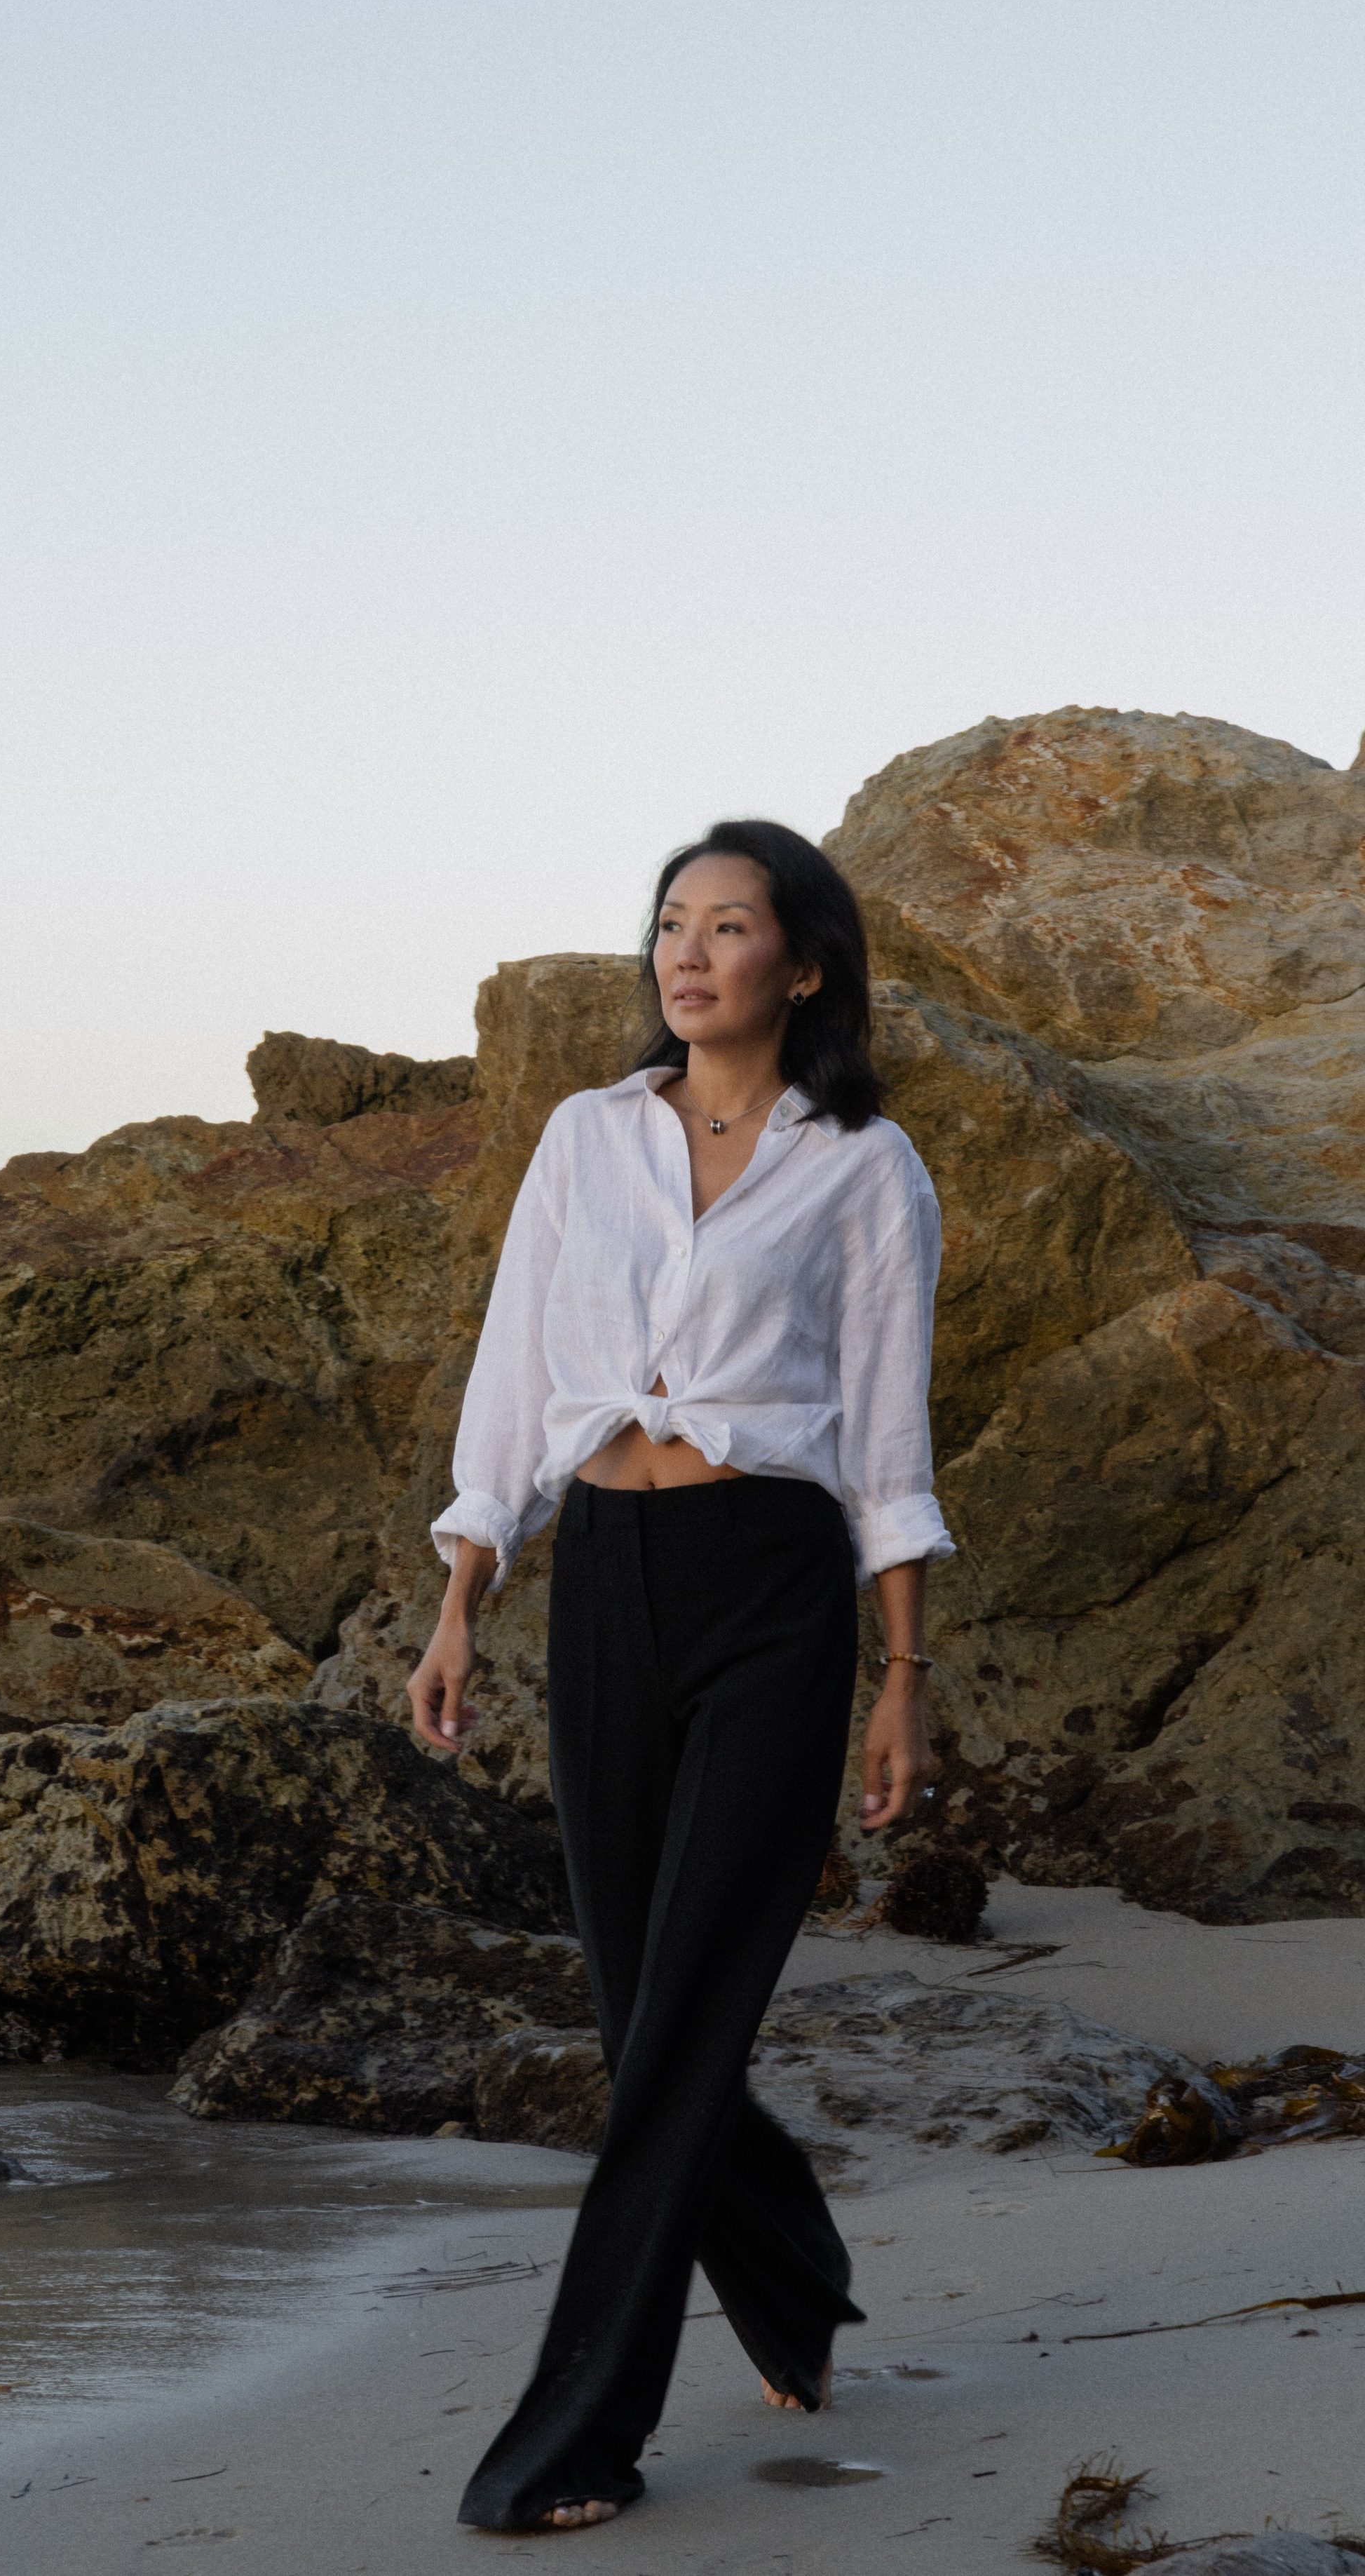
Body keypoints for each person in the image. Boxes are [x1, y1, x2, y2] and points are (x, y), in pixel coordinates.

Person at [405, 817, 952, 2535]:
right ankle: (784, 2262)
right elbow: (513, 1369)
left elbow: (885, 1436)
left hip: (771, 1585)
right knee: (639, 1999)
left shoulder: (864, 1167)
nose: (686, 952)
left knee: (695, 1996)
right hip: (603, 1576)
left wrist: (900, 1672)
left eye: (727, 925)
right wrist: (463, 1588)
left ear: (803, 963)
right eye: (668, 923)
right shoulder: (587, 1137)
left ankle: (577, 2428)